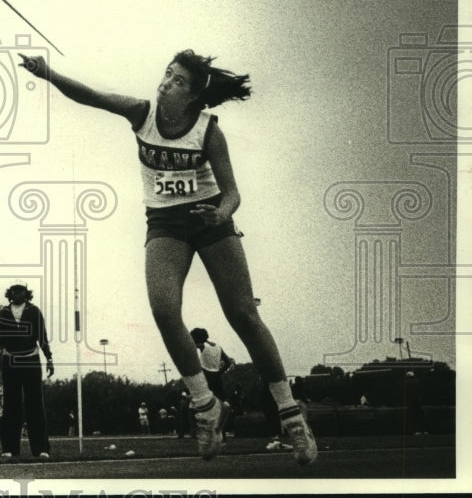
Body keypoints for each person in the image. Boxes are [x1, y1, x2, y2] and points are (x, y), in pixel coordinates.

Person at [18, 49, 317, 465]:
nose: (165, 83)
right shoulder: (142, 114)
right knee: (163, 308)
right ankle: (206, 406)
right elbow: (92, 96)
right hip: (165, 223)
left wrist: (223, 214)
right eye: (167, 74)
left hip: (210, 218)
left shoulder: (208, 131)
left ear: (193, 97)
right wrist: (49, 73)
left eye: (177, 81)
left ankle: (291, 416)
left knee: (243, 314)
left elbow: (232, 193)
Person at [0, 282, 54, 460]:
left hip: (31, 361)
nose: (17, 293)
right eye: (13, 290)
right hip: (10, 361)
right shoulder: (3, 312)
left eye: (20, 290)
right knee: (11, 405)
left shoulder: (34, 311)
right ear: (9, 293)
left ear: (26, 294)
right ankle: (9, 448)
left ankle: (41, 448)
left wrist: (49, 358)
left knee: (35, 404)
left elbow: (41, 336)